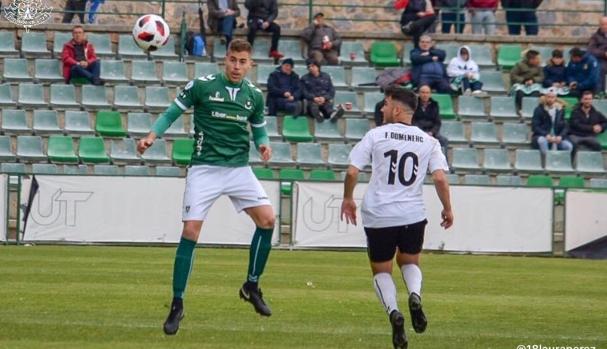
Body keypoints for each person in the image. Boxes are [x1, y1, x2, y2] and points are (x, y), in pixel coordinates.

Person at [137, 39, 276, 335]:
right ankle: (177, 304)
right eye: (233, 60)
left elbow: (259, 130)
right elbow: (171, 113)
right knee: (190, 231)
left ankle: (251, 285)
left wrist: (263, 146)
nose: (237, 66)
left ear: (250, 64)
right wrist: (151, 136)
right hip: (205, 168)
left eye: (243, 62)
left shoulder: (254, 96)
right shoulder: (202, 86)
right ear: (225, 60)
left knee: (268, 220)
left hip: (238, 169)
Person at [340, 86, 453, 349]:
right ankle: (414, 295)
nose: (382, 108)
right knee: (409, 261)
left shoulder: (376, 135)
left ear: (397, 109)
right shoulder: (429, 141)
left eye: (386, 104)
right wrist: (447, 208)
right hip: (413, 214)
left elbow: (352, 172)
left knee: (382, 270)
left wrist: (348, 198)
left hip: (379, 215)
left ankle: (394, 312)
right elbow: (439, 178)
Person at [531, 88, 573, 155]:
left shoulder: (560, 110)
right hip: (542, 136)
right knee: (542, 141)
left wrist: (560, 136)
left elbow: (565, 127)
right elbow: (535, 126)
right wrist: (546, 135)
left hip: (557, 137)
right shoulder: (539, 109)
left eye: (552, 97)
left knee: (568, 146)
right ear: (545, 97)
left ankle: (562, 163)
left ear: (555, 98)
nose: (550, 99)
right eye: (548, 97)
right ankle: (547, 161)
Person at [413, 85, 449, 155]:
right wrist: (421, 132)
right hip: (418, 132)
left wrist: (432, 132)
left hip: (431, 132)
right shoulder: (414, 104)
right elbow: (413, 121)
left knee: (443, 141)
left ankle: (444, 164)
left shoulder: (435, 105)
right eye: (423, 92)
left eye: (427, 93)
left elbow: (437, 122)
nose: (425, 95)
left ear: (430, 94)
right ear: (419, 93)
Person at [588, 17, 607, 92]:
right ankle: (599, 93)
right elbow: (591, 50)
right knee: (599, 69)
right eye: (603, 24)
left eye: (606, 24)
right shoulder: (595, 36)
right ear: (600, 25)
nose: (605, 26)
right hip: (602, 60)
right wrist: (604, 53)